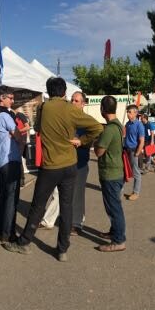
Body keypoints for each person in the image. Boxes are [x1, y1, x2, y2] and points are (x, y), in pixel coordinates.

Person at [2, 77, 102, 262]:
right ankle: (62, 249)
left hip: (50, 166)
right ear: (64, 92)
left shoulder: (44, 108)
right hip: (70, 165)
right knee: (66, 207)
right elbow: (96, 127)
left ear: (48, 92)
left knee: (38, 205)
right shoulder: (71, 109)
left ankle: (24, 243)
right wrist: (82, 141)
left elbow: (38, 128)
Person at [0, 86, 23, 244]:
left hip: (1, 160)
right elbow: (17, 133)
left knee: (3, 195)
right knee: (11, 198)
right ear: (1, 98)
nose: (12, 100)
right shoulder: (4, 114)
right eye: (10, 97)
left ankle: (1, 229)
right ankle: (8, 234)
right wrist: (19, 135)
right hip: (10, 159)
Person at [94, 95, 127, 252]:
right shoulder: (119, 125)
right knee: (114, 206)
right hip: (117, 172)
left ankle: (119, 240)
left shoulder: (109, 129)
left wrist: (96, 141)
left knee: (114, 208)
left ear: (102, 109)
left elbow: (99, 152)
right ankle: (115, 232)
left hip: (110, 174)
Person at [69, 91, 90, 236]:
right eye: (72, 100)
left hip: (80, 162)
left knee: (77, 193)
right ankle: (68, 220)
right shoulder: (67, 119)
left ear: (83, 104)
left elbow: (94, 136)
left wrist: (81, 141)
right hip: (66, 162)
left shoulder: (87, 120)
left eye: (76, 101)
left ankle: (77, 223)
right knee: (67, 194)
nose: (73, 103)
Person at [123, 105, 145, 201]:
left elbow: (142, 141)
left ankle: (136, 193)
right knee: (124, 170)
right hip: (126, 150)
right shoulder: (128, 124)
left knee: (136, 173)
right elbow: (125, 136)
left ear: (135, 113)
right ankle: (119, 190)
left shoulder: (139, 125)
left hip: (134, 151)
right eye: (127, 112)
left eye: (129, 112)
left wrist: (137, 153)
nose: (127, 113)